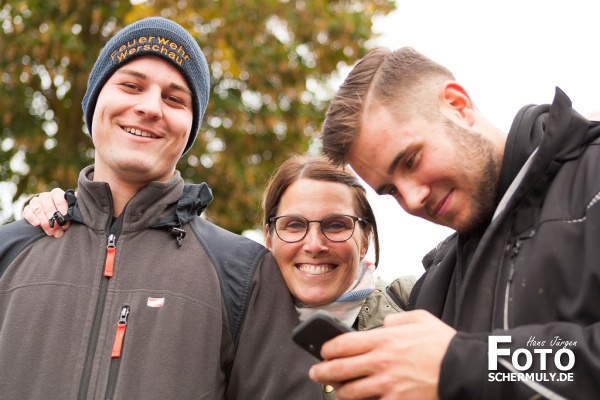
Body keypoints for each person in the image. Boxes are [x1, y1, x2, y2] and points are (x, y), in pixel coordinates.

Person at [0, 17, 323, 399]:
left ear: (190, 127)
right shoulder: (9, 251)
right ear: (94, 102)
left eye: (174, 98)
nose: (150, 107)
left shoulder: (246, 274)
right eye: (131, 86)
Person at [308, 46, 600, 400]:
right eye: (391, 191)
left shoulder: (592, 184)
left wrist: (465, 365)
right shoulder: (433, 288)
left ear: (458, 106)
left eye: (411, 161)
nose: (412, 199)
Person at [24, 154, 415, 399]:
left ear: (364, 239)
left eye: (336, 225)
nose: (314, 244)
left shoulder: (417, 304)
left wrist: (454, 370)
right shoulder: (232, 320)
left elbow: (481, 364)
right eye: (294, 225)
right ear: (269, 237)